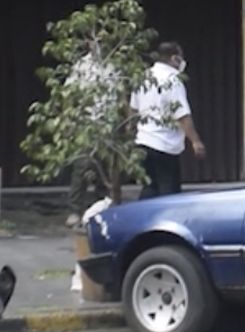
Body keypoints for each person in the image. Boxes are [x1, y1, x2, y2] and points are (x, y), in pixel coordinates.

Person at [131, 41, 206, 199]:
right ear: (174, 58)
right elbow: (182, 115)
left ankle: (144, 221)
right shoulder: (172, 81)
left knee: (149, 188)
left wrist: (131, 135)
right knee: (168, 192)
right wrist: (195, 141)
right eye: (181, 58)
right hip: (164, 145)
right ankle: (165, 223)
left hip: (143, 142)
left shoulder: (143, 77)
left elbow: (132, 110)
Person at [65, 47, 119, 226]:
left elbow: (120, 94)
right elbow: (69, 94)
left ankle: (103, 207)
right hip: (86, 124)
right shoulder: (82, 66)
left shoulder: (113, 65)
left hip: (108, 124)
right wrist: (69, 121)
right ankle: (75, 210)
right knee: (81, 168)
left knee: (106, 170)